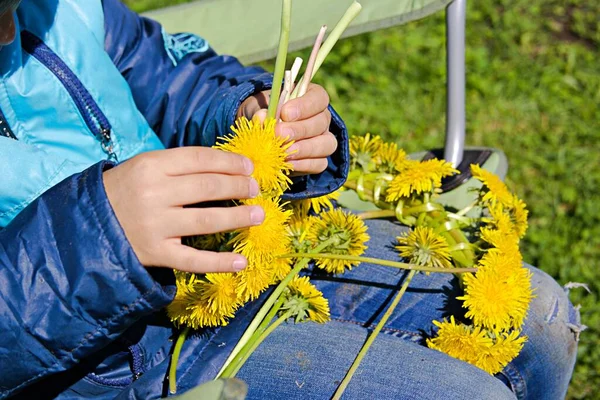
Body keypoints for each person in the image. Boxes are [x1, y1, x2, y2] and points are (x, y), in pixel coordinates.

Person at [0, 1, 580, 399]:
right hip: (114, 370)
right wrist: (96, 239)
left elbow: (164, 75)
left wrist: (242, 113)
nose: (15, 25)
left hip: (242, 253)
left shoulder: (63, 10)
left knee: (543, 318)